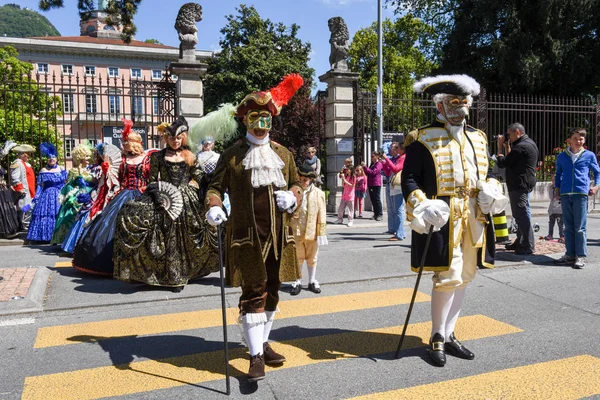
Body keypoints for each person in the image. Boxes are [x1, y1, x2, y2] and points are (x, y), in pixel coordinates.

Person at [402, 74, 508, 367]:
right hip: (443, 216)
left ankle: (449, 334)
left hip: (474, 215)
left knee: (466, 275)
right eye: (453, 103)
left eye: (463, 103)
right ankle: (436, 335)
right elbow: (408, 179)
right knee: (447, 276)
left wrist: (491, 190)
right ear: (439, 106)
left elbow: (488, 173)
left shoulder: (478, 136)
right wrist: (422, 205)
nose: (460, 109)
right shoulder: (421, 137)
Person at [205, 74, 304, 382]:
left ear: (272, 119)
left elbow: (298, 183)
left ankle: (261, 342)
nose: (261, 122)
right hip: (246, 237)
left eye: (266, 116)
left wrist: (294, 196)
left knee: (273, 292)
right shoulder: (233, 155)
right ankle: (256, 356)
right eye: (254, 116)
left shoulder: (284, 154)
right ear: (245, 119)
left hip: (279, 237)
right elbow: (214, 187)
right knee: (253, 294)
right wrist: (214, 207)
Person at [113, 116, 219, 289]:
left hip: (186, 198)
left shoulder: (190, 155)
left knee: (188, 233)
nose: (175, 141)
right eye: (171, 137)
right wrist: (159, 195)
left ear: (183, 138)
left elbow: (198, 175)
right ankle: (168, 274)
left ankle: (183, 273)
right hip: (164, 197)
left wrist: (208, 180)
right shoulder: (158, 157)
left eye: (178, 138)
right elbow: (153, 179)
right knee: (139, 218)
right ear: (166, 138)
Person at [74, 120, 153, 276]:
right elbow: (117, 180)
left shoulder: (147, 159)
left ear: (134, 143)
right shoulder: (124, 160)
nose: (123, 144)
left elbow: (152, 178)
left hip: (142, 195)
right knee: (109, 225)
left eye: (125, 141)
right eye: (123, 142)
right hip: (123, 195)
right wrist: (107, 171)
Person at [553, 128, 600, 269]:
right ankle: (570, 254)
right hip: (566, 194)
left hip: (581, 194)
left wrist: (596, 187)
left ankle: (581, 256)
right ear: (570, 140)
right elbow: (558, 174)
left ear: (584, 141)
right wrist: (557, 190)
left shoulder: (589, 155)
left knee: (580, 227)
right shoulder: (562, 156)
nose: (578, 141)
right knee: (568, 227)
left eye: (581, 139)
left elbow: (597, 172)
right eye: (575, 138)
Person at [496, 122, 539, 255]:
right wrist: (508, 147)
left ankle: (528, 245)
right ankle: (519, 241)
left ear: (517, 133)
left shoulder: (521, 147)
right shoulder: (527, 143)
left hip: (518, 185)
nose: (507, 136)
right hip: (524, 183)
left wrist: (499, 148)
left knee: (521, 215)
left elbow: (503, 163)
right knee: (521, 214)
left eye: (509, 134)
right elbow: (513, 161)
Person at [289, 164, 328, 296]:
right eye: (300, 179)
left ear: (310, 179)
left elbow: (322, 213)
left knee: (312, 257)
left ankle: (312, 280)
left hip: (312, 230)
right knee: (298, 257)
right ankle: (297, 280)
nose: (303, 182)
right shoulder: (293, 192)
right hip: (297, 229)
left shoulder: (318, 193)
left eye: (305, 180)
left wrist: (321, 232)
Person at [50, 142, 95, 246]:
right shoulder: (74, 171)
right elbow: (68, 185)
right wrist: (71, 196)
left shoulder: (90, 169)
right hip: (77, 196)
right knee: (71, 218)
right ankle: (69, 241)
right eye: (86, 156)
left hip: (90, 195)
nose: (88, 158)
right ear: (80, 157)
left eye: (89, 156)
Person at [26, 143, 67, 243]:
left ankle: (59, 237)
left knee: (59, 214)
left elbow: (66, 183)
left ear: (57, 159)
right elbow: (40, 187)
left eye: (53, 157)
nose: (51, 159)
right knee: (45, 214)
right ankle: (45, 237)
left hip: (60, 195)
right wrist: (36, 198)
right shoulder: (43, 170)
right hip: (47, 196)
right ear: (47, 159)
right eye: (49, 157)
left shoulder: (61, 169)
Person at [382, 142, 406, 241]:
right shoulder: (399, 158)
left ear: (402, 149)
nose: (395, 150)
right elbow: (389, 172)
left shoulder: (403, 157)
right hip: (394, 185)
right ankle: (396, 231)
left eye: (397, 148)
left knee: (399, 210)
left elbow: (396, 169)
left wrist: (386, 159)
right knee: (395, 209)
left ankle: (400, 234)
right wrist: (384, 163)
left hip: (398, 186)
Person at [9, 143, 36, 231]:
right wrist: (19, 188)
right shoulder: (17, 163)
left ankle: (24, 226)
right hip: (23, 191)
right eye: (26, 154)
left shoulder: (25, 164)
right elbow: (15, 177)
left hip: (29, 190)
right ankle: (24, 227)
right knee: (24, 209)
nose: (28, 156)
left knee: (27, 208)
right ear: (21, 154)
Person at [0, 141, 20, 238]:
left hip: (2, 189)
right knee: (3, 208)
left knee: (5, 208)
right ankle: (6, 231)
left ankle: (8, 230)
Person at [363, 151, 383, 221]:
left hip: (376, 184)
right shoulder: (372, 164)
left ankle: (380, 214)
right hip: (371, 183)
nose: (371, 158)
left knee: (377, 199)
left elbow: (374, 172)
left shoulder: (379, 164)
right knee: (373, 200)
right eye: (371, 156)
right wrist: (365, 169)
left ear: (377, 156)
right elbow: (369, 172)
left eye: (372, 156)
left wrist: (365, 167)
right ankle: (375, 214)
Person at [545, 176, 564, 242]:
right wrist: (552, 188)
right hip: (552, 209)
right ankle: (550, 235)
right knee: (551, 223)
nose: (554, 182)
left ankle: (562, 236)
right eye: (553, 181)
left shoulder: (562, 188)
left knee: (560, 224)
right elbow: (551, 197)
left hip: (560, 209)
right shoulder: (551, 188)